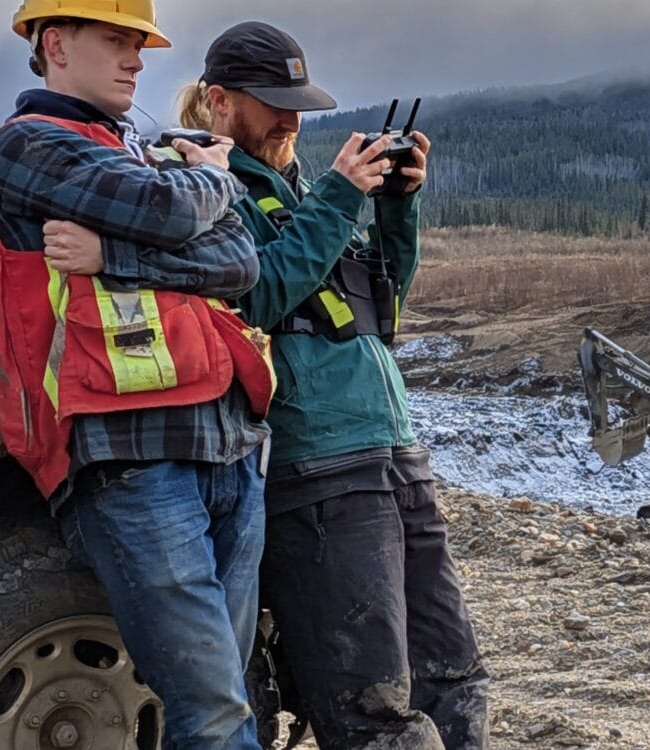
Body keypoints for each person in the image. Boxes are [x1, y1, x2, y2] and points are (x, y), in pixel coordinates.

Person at [0, 1, 274, 746]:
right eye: (117, 40)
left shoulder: (133, 148)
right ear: (56, 43)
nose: (137, 59)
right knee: (215, 715)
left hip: (226, 443)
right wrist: (216, 181)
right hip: (131, 460)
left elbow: (241, 263)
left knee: (221, 703)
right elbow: (166, 210)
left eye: (139, 43)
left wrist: (114, 257)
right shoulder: (29, 147)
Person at [177, 20, 489, 749]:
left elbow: (380, 312)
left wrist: (394, 208)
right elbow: (260, 298)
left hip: (392, 449)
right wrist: (340, 200)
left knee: (454, 677)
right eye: (273, 102)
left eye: (299, 104)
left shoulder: (308, 190)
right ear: (220, 101)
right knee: (373, 702)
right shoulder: (208, 192)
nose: (292, 119)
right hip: (316, 467)